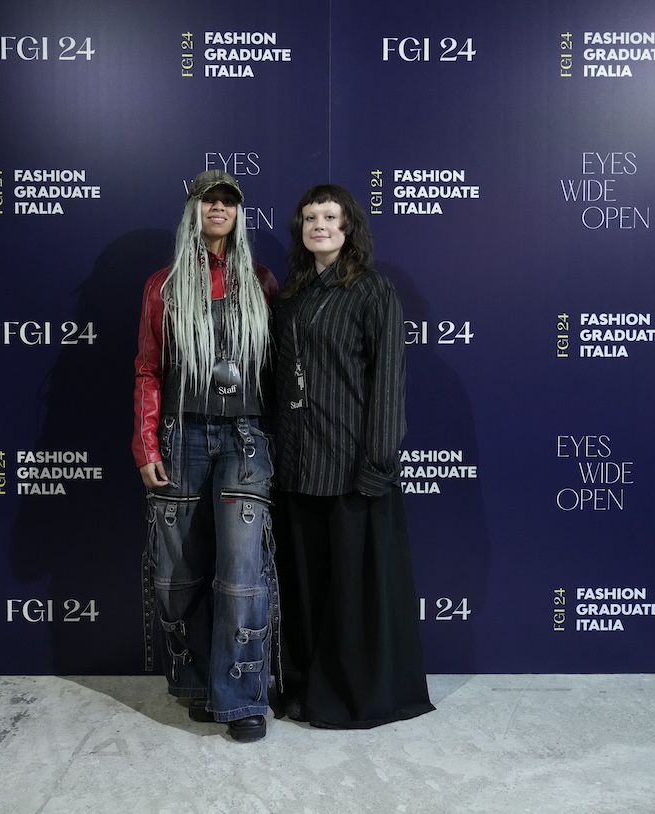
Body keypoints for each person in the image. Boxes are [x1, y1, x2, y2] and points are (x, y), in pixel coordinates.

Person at [271, 183, 435, 728]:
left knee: (351, 595)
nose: (319, 224)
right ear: (300, 228)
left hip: (350, 470)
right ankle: (303, 688)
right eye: (310, 217)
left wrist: (377, 465)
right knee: (307, 590)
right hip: (296, 469)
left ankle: (350, 697)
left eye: (330, 216)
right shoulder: (291, 295)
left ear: (348, 228)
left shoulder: (372, 291)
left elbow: (388, 381)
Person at [134, 169, 278, 742]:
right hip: (180, 436)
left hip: (245, 438)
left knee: (242, 572)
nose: (218, 208)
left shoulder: (262, 283)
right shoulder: (162, 286)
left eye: (228, 201)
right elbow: (147, 368)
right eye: (208, 200)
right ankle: (195, 684)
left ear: (239, 214)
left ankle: (242, 698)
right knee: (179, 574)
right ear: (192, 209)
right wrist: (145, 443)